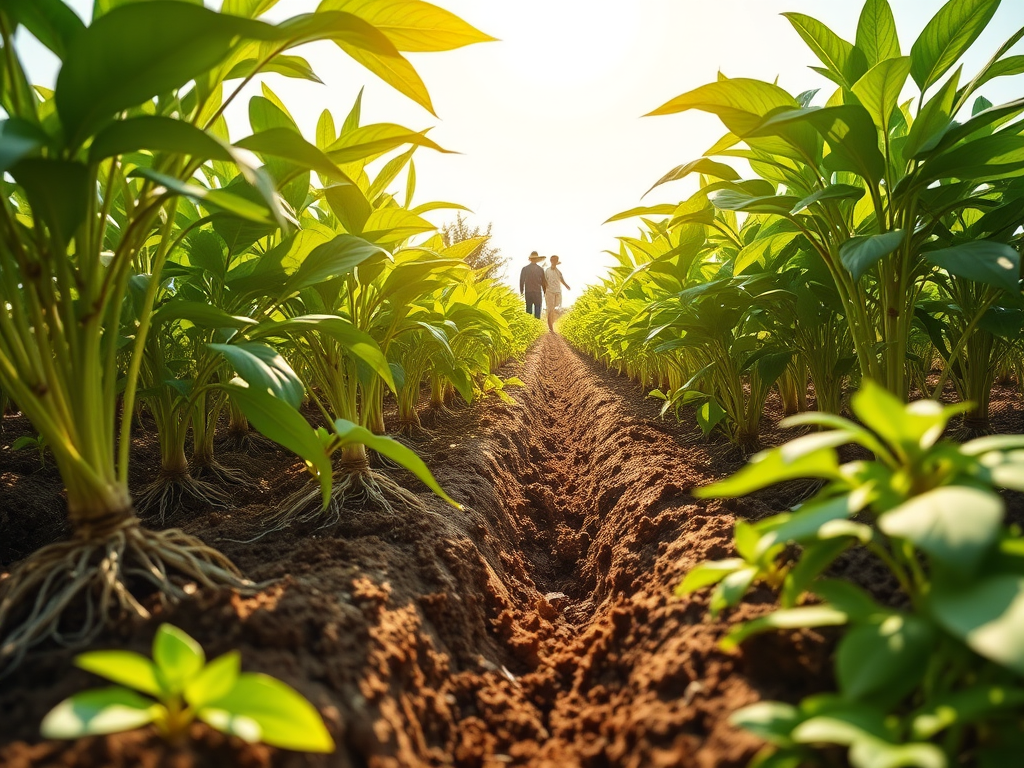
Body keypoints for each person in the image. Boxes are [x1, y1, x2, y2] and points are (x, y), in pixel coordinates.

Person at [544, 255, 571, 333]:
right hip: (549, 292)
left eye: (555, 260)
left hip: (558, 291)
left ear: (557, 261)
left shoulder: (558, 272)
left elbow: (562, 280)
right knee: (550, 309)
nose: (554, 261)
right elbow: (544, 281)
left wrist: (566, 285)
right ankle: (550, 328)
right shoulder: (547, 271)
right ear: (551, 261)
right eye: (552, 260)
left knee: (556, 308)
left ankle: (551, 323)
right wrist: (545, 290)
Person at [519, 251, 547, 319]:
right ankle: (535, 324)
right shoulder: (540, 269)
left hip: (529, 291)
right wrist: (545, 291)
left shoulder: (525, 269)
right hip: (536, 291)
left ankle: (531, 323)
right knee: (537, 308)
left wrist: (522, 291)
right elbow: (543, 282)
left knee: (529, 309)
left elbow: (521, 281)